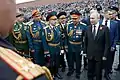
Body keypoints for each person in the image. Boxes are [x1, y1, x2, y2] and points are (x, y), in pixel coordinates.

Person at [0, 0, 52, 80]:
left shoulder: (41, 25)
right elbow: (13, 38)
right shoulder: (29, 26)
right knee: (36, 60)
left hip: (39, 45)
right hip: (26, 45)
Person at [84, 11, 110, 80]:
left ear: (98, 18)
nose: (91, 20)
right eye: (90, 18)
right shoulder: (87, 28)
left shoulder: (105, 28)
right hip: (90, 55)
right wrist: (85, 52)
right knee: (90, 73)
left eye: (93, 18)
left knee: (98, 74)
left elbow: (107, 44)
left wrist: (105, 55)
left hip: (99, 56)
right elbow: (85, 42)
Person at [66, 10, 87, 79]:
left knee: (78, 60)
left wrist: (83, 48)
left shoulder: (84, 26)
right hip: (70, 45)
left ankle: (78, 72)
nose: (74, 20)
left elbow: (85, 38)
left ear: (79, 18)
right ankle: (71, 70)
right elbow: (66, 37)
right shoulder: (68, 25)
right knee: (70, 59)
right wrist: (66, 46)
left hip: (79, 46)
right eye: (72, 18)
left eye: (75, 18)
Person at [43, 11, 63, 79]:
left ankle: (56, 72)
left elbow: (60, 39)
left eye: (56, 19)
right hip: (50, 48)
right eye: (53, 20)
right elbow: (44, 41)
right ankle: (52, 74)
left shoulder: (57, 28)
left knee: (57, 62)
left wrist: (61, 48)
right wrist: (46, 51)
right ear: (49, 20)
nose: (55, 21)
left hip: (57, 48)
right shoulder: (45, 29)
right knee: (51, 63)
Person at [101, 9, 118, 80]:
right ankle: (97, 73)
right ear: (105, 14)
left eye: (111, 14)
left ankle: (106, 74)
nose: (111, 15)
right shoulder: (99, 22)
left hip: (110, 46)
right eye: (109, 14)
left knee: (109, 61)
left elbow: (116, 35)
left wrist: (113, 45)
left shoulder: (115, 23)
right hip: (100, 46)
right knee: (99, 60)